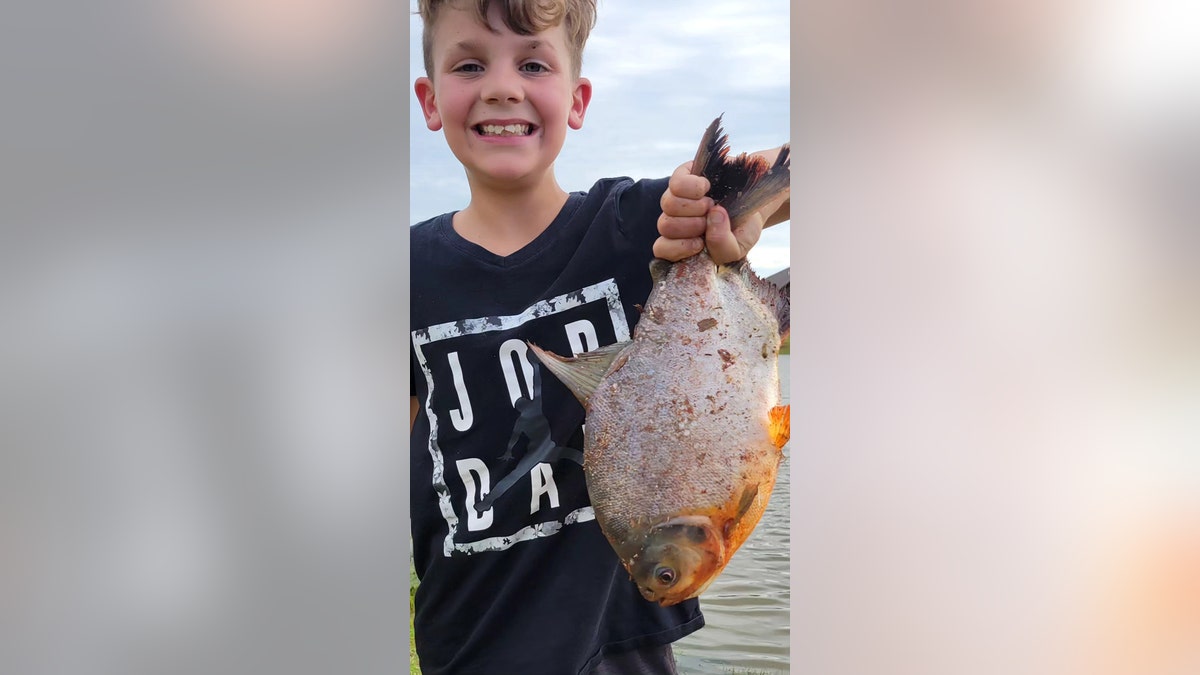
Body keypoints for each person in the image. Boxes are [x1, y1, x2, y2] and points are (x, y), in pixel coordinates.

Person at [408, 1, 789, 672]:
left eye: (532, 63)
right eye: (469, 64)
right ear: (430, 98)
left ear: (578, 99)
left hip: (625, 656)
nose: (501, 84)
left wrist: (721, 213)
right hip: (465, 649)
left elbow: (786, 173)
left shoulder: (635, 223)